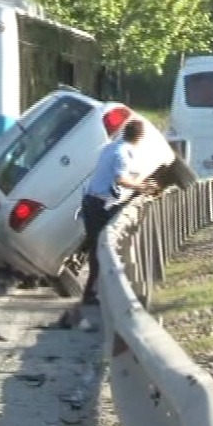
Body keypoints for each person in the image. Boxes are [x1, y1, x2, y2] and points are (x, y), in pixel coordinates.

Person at [80, 120, 159, 305]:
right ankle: (93, 293)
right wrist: (142, 187)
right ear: (140, 137)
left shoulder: (112, 147)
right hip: (99, 205)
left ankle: (93, 291)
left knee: (98, 247)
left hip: (92, 202)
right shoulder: (122, 153)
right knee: (103, 248)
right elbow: (121, 179)